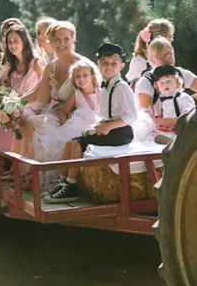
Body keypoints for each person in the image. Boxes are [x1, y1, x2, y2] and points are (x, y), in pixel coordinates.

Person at [44, 43, 138, 203]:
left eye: (113, 64)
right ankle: (63, 182)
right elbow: (105, 114)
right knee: (71, 143)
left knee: (78, 145)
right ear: (99, 65)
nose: (109, 67)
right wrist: (98, 125)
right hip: (110, 128)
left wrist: (108, 126)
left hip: (121, 132)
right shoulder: (107, 87)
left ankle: (72, 186)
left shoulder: (122, 88)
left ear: (121, 65)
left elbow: (131, 117)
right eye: (105, 63)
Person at [13, 21, 87, 188]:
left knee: (37, 124)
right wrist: (24, 113)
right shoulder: (50, 67)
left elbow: (93, 97)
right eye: (57, 40)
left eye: (66, 39)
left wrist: (67, 107)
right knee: (28, 121)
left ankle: (39, 176)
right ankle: (30, 172)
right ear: (51, 43)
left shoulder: (82, 64)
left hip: (80, 114)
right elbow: (42, 100)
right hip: (57, 113)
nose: (62, 44)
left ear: (73, 40)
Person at [31, 58, 102, 187]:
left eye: (85, 75)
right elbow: (63, 112)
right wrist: (64, 126)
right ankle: (63, 180)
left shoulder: (101, 92)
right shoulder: (76, 94)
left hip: (96, 124)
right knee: (65, 145)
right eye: (78, 76)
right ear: (73, 79)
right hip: (78, 124)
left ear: (92, 76)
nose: (82, 79)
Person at [0, 23, 44, 148]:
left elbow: (44, 89)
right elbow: (2, 86)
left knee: (9, 121)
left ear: (24, 41)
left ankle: (10, 161)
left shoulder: (36, 62)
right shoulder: (11, 64)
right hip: (13, 104)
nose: (12, 45)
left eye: (16, 41)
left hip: (33, 106)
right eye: (9, 42)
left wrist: (17, 105)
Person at [134, 37, 197, 122]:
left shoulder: (180, 73)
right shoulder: (146, 82)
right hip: (155, 132)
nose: (167, 59)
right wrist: (179, 121)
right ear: (152, 59)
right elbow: (147, 121)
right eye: (161, 56)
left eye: (169, 54)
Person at [126, 18, 175, 85]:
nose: (172, 40)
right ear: (159, 38)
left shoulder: (167, 57)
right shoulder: (139, 62)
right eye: (169, 36)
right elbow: (134, 89)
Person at [153, 64, 195, 128]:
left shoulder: (183, 97)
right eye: (161, 83)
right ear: (158, 87)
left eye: (169, 81)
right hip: (165, 131)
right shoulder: (158, 101)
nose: (165, 84)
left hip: (182, 130)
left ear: (177, 83)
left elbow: (189, 115)